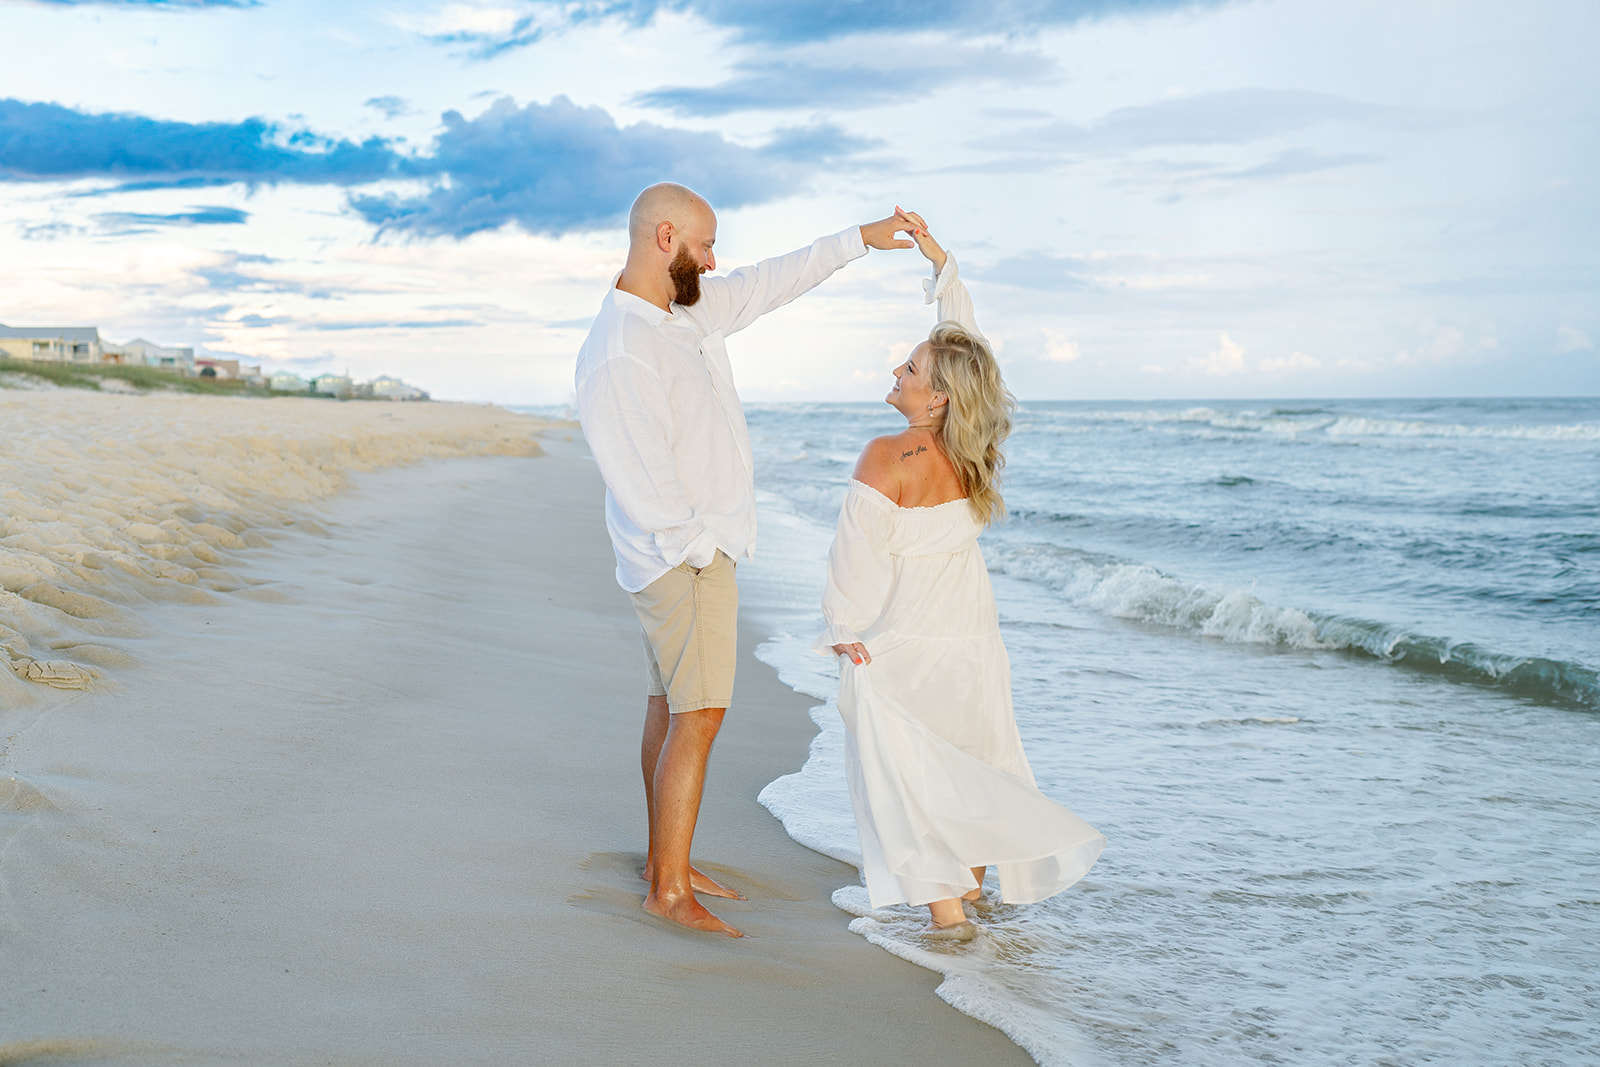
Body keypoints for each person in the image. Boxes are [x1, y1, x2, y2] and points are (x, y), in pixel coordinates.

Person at [575, 183, 916, 938]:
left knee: (671, 704)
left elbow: (770, 282)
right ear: (665, 237)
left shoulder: (685, 313)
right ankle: (669, 890)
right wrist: (701, 548)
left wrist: (859, 239)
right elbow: (641, 482)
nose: (714, 260)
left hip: (693, 551)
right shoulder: (620, 347)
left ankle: (666, 863)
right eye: (705, 245)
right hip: (681, 560)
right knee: (699, 713)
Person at [816, 209, 1106, 940]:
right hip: (973, 636)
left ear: (938, 395)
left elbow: (854, 557)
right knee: (970, 761)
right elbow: (967, 350)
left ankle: (949, 923)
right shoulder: (972, 455)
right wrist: (942, 268)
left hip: (908, 637)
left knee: (904, 770)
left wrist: (842, 629)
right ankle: (970, 897)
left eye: (911, 370)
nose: (898, 371)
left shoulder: (888, 455)